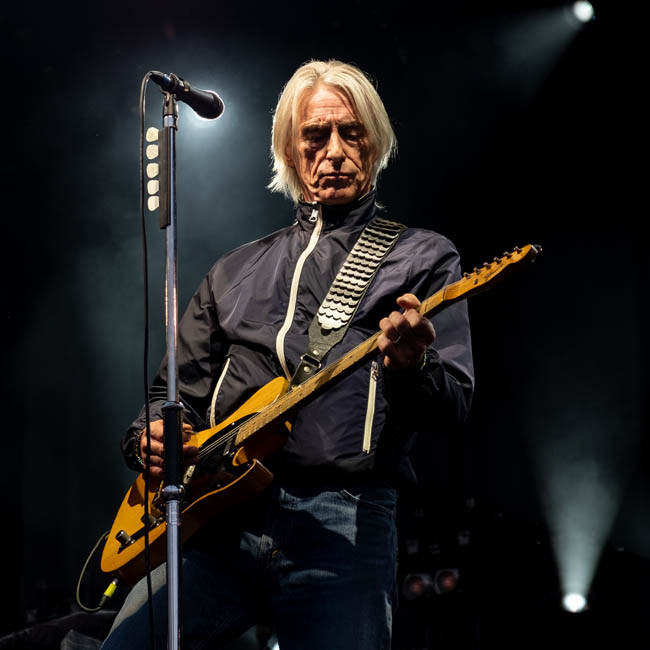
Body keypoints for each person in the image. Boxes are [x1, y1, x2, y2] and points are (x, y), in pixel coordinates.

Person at [101, 59, 474, 650]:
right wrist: (147, 437)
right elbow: (172, 396)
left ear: (375, 144)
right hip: (217, 519)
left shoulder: (420, 257)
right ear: (290, 153)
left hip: (342, 522)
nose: (335, 151)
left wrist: (415, 368)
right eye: (316, 136)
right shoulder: (233, 271)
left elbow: (453, 405)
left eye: (351, 133)